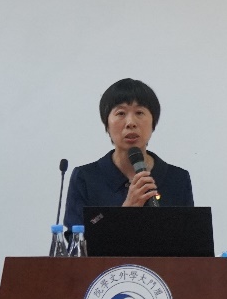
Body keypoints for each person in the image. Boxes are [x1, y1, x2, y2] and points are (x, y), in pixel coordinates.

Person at [63, 78, 194, 228]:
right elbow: (76, 240)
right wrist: (127, 210)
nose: (131, 122)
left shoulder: (177, 179)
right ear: (107, 123)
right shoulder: (86, 178)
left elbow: (189, 237)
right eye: (121, 113)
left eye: (139, 112)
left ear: (153, 122)